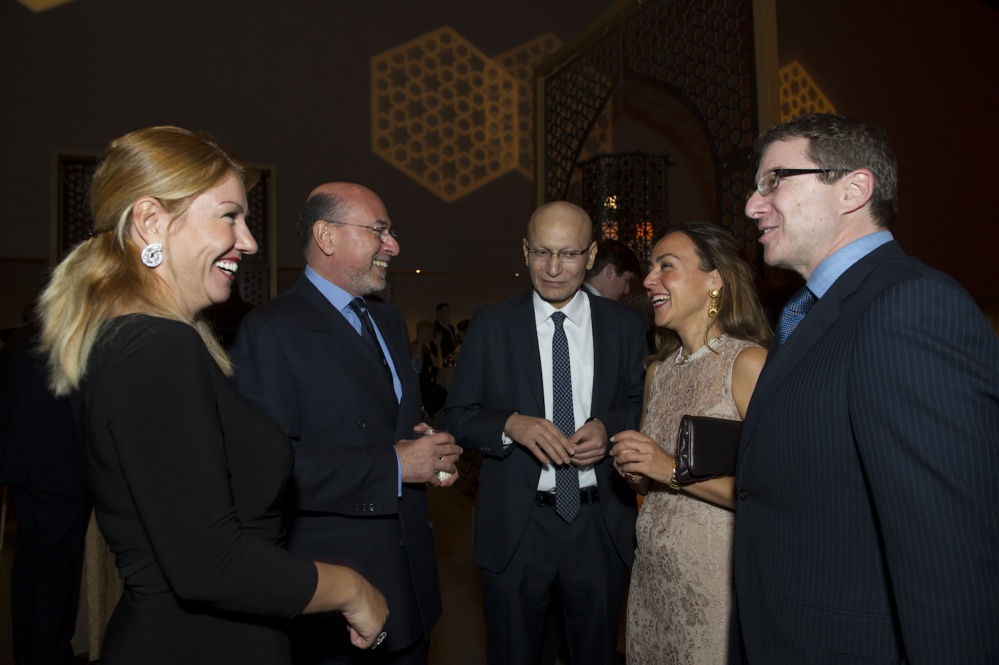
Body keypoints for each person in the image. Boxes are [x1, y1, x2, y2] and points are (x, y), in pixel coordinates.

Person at [35, 126, 388, 665]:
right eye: (229, 216)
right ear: (151, 220)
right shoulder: (156, 346)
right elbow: (209, 563)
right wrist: (352, 589)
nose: (248, 241)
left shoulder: (136, 337)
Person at [732, 113, 999, 663]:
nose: (753, 205)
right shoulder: (806, 310)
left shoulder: (910, 305)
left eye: (774, 180)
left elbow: (948, 551)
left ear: (854, 189)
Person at [230, 182, 461, 665]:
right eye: (379, 230)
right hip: (341, 587)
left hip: (410, 572)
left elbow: (392, 419)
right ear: (327, 236)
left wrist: (428, 447)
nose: (393, 246)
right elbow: (269, 473)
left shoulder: (389, 319)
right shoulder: (271, 329)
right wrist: (395, 466)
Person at [441, 201, 647, 665]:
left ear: (590, 256)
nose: (553, 269)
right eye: (542, 252)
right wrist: (509, 424)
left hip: (599, 524)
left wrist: (608, 428)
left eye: (569, 254)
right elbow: (456, 416)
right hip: (517, 526)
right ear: (525, 251)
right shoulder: (491, 324)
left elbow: (643, 406)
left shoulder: (624, 326)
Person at [608, 221, 770, 664]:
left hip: (714, 584)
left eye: (666, 266)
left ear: (714, 279)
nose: (648, 280)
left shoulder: (748, 363)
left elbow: (774, 493)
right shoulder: (658, 372)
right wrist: (634, 469)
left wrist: (671, 470)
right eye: (649, 268)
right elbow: (647, 485)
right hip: (653, 577)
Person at [0, 314, 92, 665]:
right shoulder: (73, 336)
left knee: (29, 564)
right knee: (57, 573)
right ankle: (50, 654)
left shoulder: (20, 337)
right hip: (62, 471)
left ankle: (29, 651)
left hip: (21, 465)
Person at [412, 319, 447, 420]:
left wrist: (438, 345)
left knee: (445, 396)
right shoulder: (413, 345)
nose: (431, 335)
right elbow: (418, 367)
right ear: (421, 332)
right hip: (420, 385)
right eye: (428, 332)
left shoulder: (426, 347)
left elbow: (439, 365)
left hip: (428, 383)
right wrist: (420, 344)